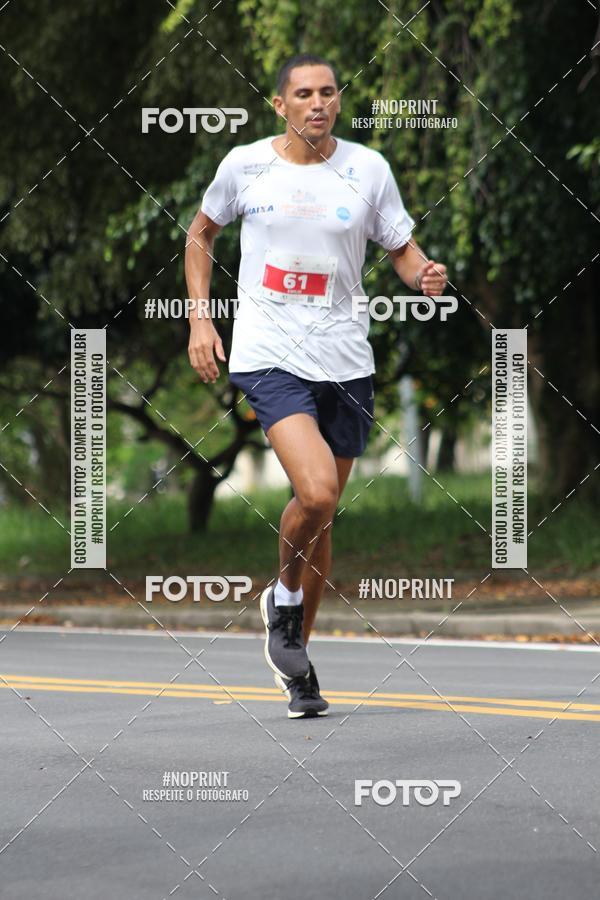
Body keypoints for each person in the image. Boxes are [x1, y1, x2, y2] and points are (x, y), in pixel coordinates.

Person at [185, 54, 448, 718]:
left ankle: (297, 664)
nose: (317, 103)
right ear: (281, 106)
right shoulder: (245, 166)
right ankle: (284, 600)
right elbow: (201, 235)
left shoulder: (368, 170)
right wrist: (199, 319)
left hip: (346, 359)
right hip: (270, 353)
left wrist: (422, 276)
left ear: (338, 99)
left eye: (328, 92)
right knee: (318, 490)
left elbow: (399, 246)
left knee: (323, 515)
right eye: (303, 94)